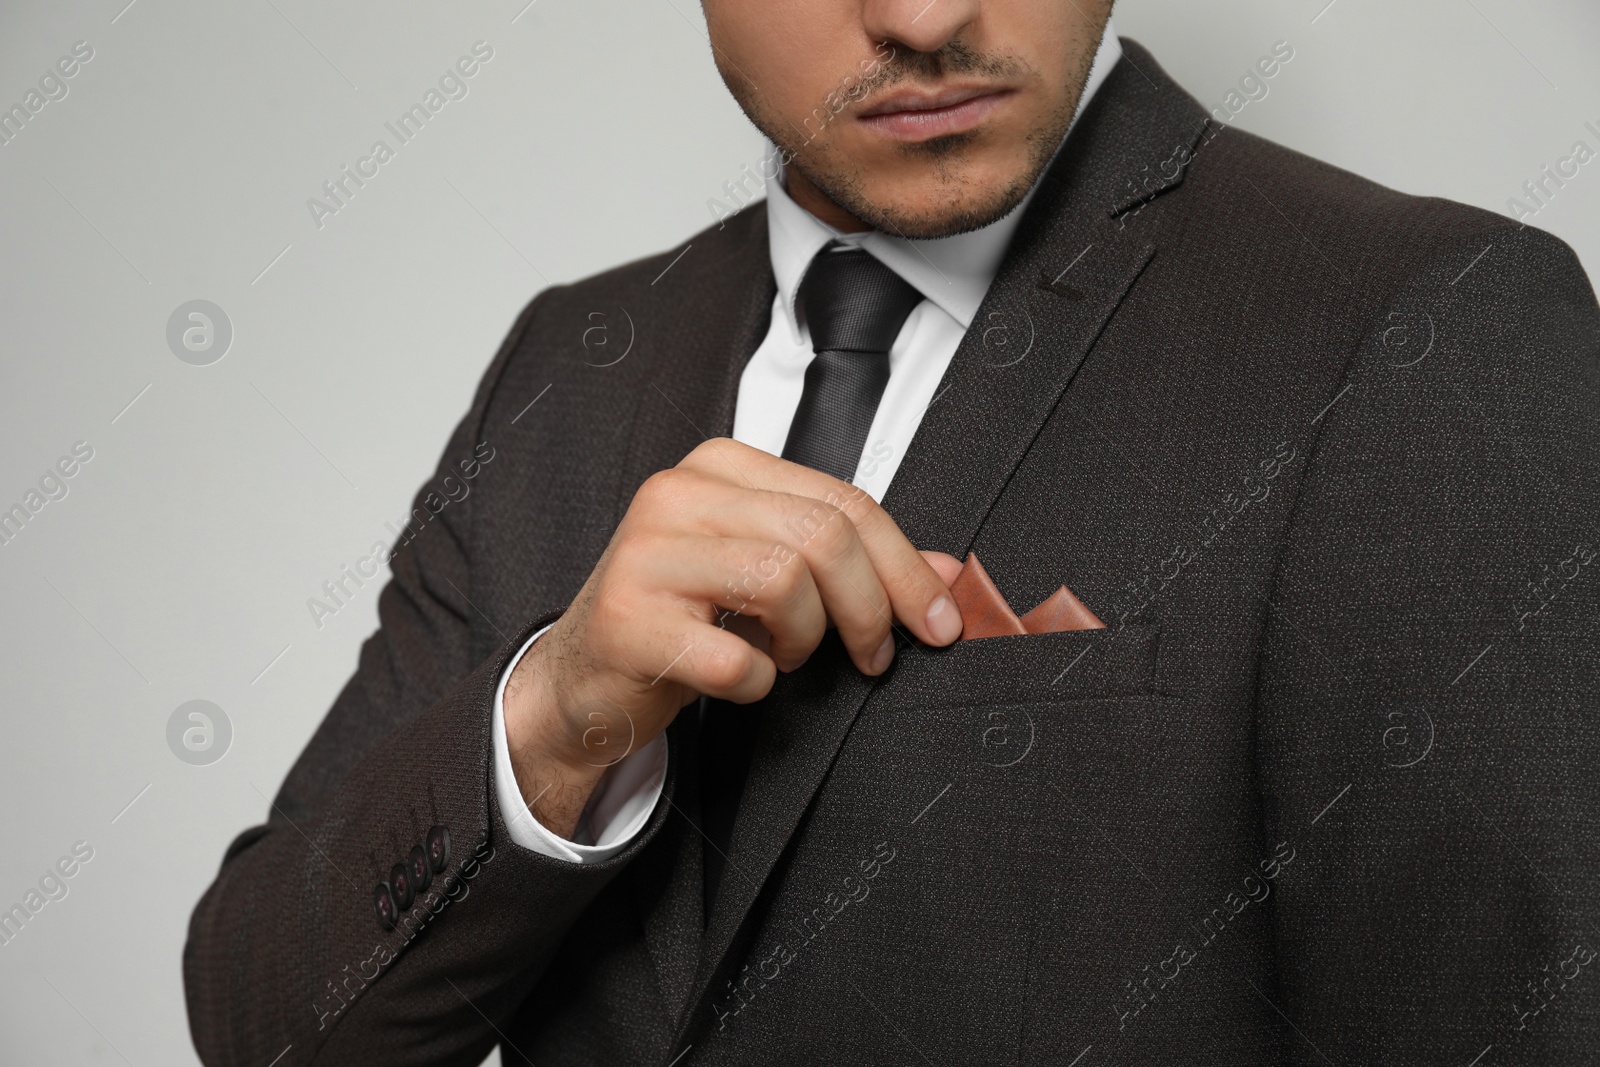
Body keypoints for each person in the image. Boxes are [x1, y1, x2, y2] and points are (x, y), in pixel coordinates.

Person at [184, 1, 1600, 1064]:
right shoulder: (570, 363)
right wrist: (555, 724)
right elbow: (265, 1025)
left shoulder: (1427, 325)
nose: (927, 18)